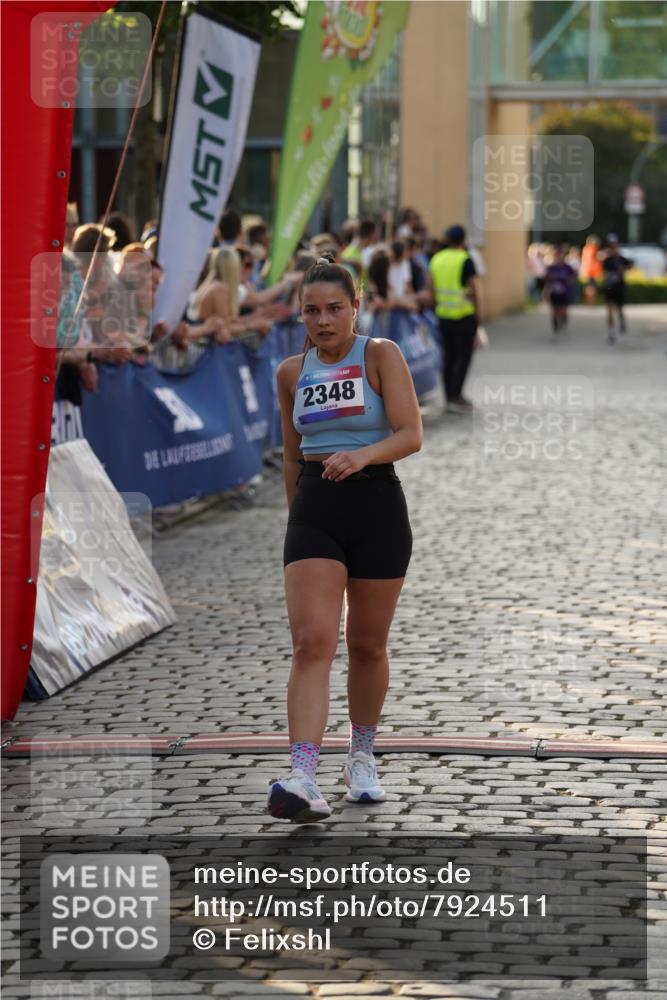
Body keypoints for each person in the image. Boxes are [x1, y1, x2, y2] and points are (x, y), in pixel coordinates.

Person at [269, 254, 423, 822]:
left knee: (366, 644)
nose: (323, 321)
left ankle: (361, 755)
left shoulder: (380, 355)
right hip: (315, 509)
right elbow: (290, 456)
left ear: (355, 307)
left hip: (378, 503)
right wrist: (296, 520)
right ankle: (302, 774)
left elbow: (411, 434)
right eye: (311, 311)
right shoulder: (290, 372)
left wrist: (361, 455)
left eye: (335, 308)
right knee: (312, 641)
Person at [428, 224, 480, 413]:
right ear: (463, 239)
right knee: (462, 357)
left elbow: (431, 288)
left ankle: (448, 395)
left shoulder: (436, 259)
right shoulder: (465, 259)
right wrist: (478, 314)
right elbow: (473, 289)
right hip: (464, 315)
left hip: (442, 316)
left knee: (448, 357)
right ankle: (456, 396)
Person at [601, 234, 632, 343]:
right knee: (609, 310)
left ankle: (622, 321)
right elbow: (604, 273)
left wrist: (623, 268)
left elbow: (630, 265)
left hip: (619, 287)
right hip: (609, 287)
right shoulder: (606, 259)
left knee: (619, 310)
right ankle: (611, 332)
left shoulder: (621, 258)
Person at [544, 244, 577, 333]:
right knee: (554, 309)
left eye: (561, 254)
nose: (559, 256)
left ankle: (563, 320)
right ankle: (555, 323)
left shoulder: (568, 267)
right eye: (557, 255)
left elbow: (573, 278)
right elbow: (546, 280)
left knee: (563, 310)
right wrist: (546, 291)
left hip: (564, 292)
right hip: (554, 292)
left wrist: (569, 281)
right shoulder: (551, 268)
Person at [580, 234, 603, 305]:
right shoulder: (592, 249)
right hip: (591, 271)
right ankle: (591, 302)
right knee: (591, 288)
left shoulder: (586, 249)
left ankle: (590, 302)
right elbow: (592, 261)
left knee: (590, 287)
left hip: (589, 271)